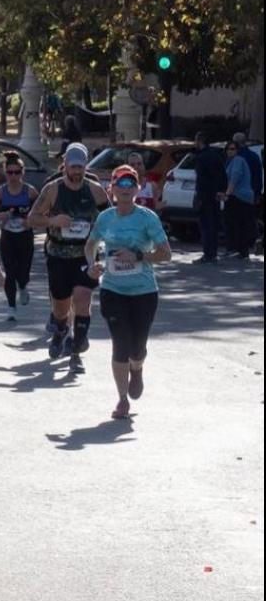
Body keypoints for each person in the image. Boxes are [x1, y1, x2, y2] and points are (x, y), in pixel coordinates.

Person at [85, 165, 171, 420]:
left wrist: (138, 256)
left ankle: (138, 368)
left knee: (138, 348)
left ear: (136, 189)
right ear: (111, 189)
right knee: (120, 345)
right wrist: (93, 265)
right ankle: (122, 399)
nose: (125, 189)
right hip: (113, 290)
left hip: (144, 292)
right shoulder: (105, 218)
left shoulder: (147, 218)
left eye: (130, 184)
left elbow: (166, 254)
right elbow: (91, 245)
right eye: (119, 184)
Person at [27, 142, 109, 371]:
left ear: (85, 167)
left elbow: (110, 220)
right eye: (72, 167)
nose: (76, 172)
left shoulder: (95, 190)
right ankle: (61, 328)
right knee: (61, 308)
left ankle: (75, 351)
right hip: (59, 254)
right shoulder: (53, 190)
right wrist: (53, 221)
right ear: (64, 166)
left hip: (86, 254)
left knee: (83, 300)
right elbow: (32, 219)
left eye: (80, 167)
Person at [0, 152, 39, 320]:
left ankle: (23, 287)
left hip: (25, 236)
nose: (13, 176)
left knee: (23, 272)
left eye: (17, 172)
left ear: (22, 173)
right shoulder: (0, 193)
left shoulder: (30, 192)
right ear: (5, 172)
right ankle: (11, 306)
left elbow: (42, 211)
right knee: (10, 272)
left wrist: (30, 220)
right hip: (8, 236)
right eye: (10, 173)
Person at [191, 132, 227, 264]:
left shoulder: (201, 158)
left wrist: (199, 197)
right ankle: (213, 253)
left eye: (196, 141)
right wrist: (220, 191)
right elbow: (222, 175)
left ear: (200, 141)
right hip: (215, 196)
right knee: (214, 225)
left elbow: (201, 180)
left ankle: (208, 254)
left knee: (206, 226)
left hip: (205, 196)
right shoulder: (216, 156)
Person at [220, 139, 255, 259]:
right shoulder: (230, 162)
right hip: (238, 196)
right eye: (228, 149)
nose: (230, 151)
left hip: (239, 197)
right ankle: (239, 251)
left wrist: (227, 194)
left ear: (237, 150)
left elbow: (235, 177)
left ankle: (237, 250)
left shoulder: (238, 160)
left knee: (235, 224)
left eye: (233, 149)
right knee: (236, 224)